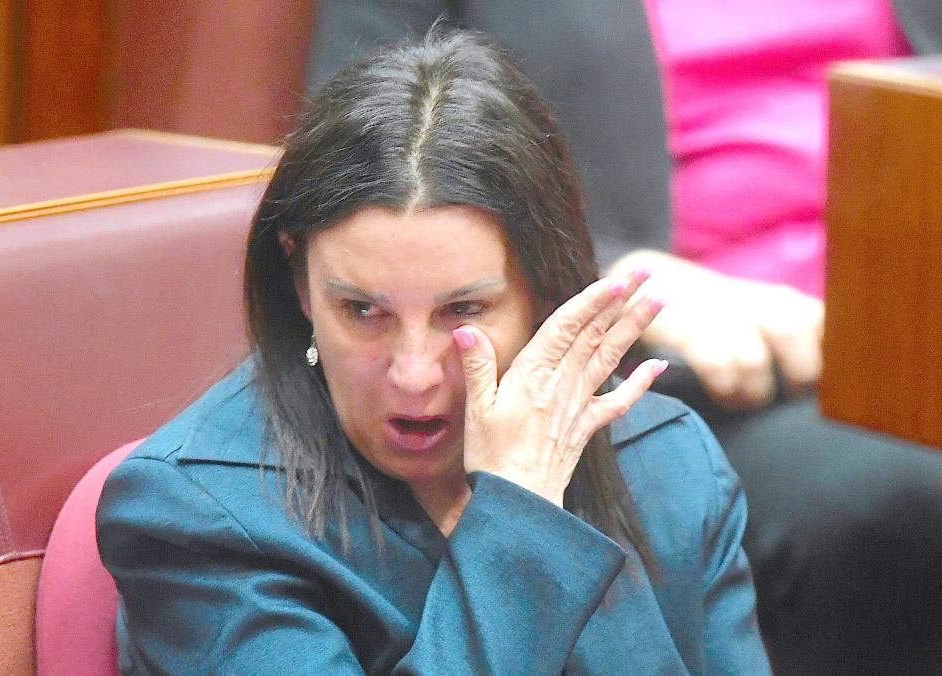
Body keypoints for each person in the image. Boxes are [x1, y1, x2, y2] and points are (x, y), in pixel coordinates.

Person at [96, 30, 771, 674]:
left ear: (540, 296)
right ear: (300, 285)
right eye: (363, 311)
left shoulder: (670, 464)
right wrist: (519, 515)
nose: (413, 374)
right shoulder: (199, 516)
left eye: (462, 311)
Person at [305, 2, 942, 674]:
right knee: (897, 499)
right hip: (677, 362)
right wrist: (607, 273)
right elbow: (355, 159)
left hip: (908, 326)